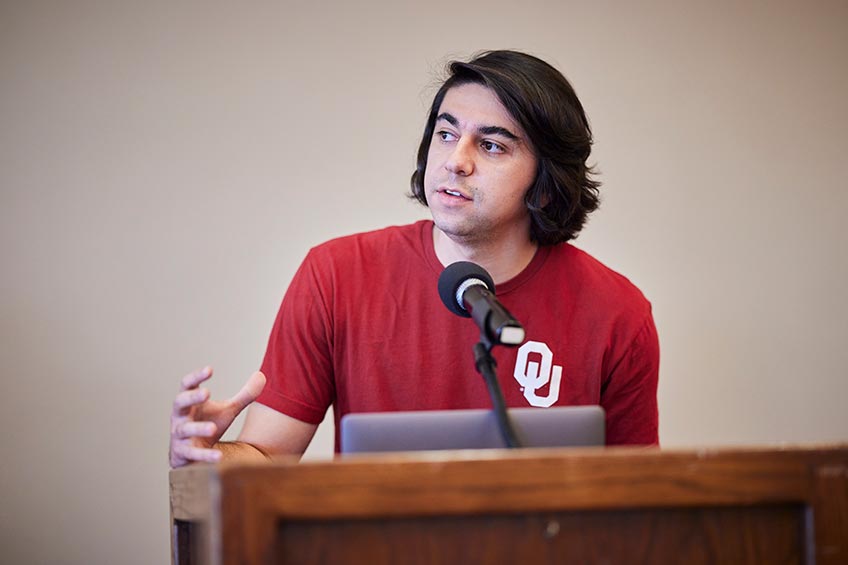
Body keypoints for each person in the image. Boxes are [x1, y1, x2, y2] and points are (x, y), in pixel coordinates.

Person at [169, 50, 659, 468]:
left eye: (490, 145)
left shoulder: (617, 313)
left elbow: (634, 501)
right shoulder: (336, 275)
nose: (455, 160)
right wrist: (205, 455)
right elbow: (267, 457)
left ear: (547, 181)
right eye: (446, 134)